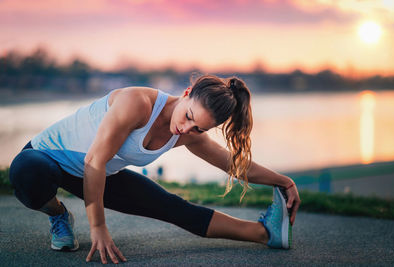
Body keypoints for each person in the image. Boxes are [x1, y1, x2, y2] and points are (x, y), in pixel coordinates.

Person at [9, 74, 301, 264]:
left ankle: (266, 233)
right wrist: (98, 227)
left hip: (99, 173)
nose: (185, 128)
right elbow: (94, 161)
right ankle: (58, 214)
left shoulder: (188, 133)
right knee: (27, 171)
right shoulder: (137, 103)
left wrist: (283, 181)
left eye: (198, 127)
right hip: (46, 159)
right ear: (187, 92)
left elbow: (231, 164)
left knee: (173, 207)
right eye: (188, 116)